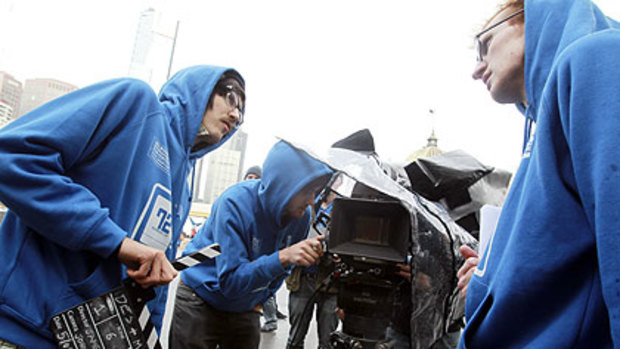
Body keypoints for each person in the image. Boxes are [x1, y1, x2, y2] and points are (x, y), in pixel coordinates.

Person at [0, 65, 245, 348]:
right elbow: (12, 157)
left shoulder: (184, 181)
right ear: (200, 89)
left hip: (94, 338)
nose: (235, 115)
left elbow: (153, 278)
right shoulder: (135, 104)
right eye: (231, 97)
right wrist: (117, 243)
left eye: (241, 113)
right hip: (25, 329)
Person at [457, 0, 620, 347]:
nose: (476, 68)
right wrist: (490, 281)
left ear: (531, 18)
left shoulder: (598, 59)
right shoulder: (543, 125)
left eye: (484, 44)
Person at [168, 140, 333, 349]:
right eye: (307, 191)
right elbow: (230, 282)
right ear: (286, 186)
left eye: (316, 192)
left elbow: (284, 270)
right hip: (201, 297)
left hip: (246, 305)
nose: (312, 201)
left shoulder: (302, 217)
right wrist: (282, 257)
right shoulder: (234, 203)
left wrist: (262, 297)